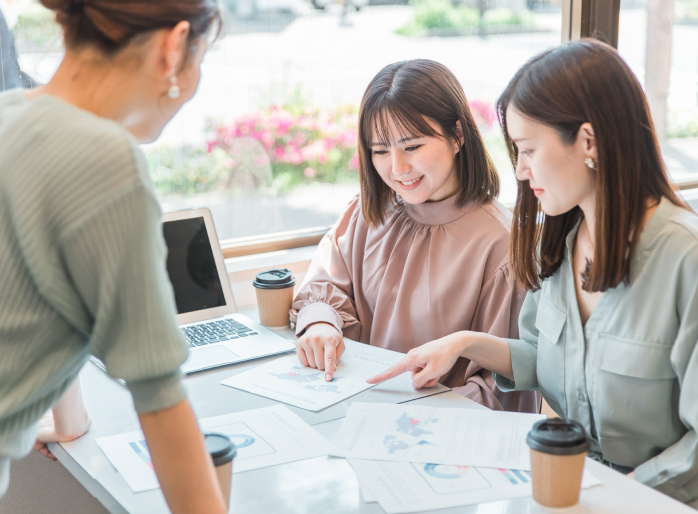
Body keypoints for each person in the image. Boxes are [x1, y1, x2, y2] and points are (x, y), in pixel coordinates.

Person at [368, 40, 698, 505]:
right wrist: (463, 343)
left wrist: (615, 497)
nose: (520, 171)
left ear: (588, 141)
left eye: (527, 150)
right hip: (564, 486)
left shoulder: (686, 260)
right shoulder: (562, 242)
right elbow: (545, 356)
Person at [0, 1, 228, 512]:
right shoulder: (106, 160)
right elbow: (160, 398)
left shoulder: (9, 116)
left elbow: (36, 296)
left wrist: (69, 419)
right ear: (174, 48)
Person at [291, 59, 539, 412]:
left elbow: (500, 387)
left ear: (457, 135)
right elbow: (325, 288)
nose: (397, 169)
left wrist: (408, 415)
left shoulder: (501, 246)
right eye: (380, 151)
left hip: (442, 435)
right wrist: (319, 321)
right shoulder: (366, 215)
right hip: (356, 413)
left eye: (412, 147)